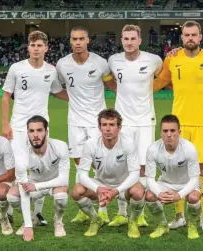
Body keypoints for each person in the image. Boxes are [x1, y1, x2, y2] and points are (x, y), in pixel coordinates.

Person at [153, 20, 203, 231]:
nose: (190, 38)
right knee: (179, 169)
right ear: (182, 37)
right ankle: (179, 216)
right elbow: (158, 83)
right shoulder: (172, 59)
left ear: (201, 36)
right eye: (186, 35)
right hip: (179, 124)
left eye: (194, 35)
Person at [0, 30, 68, 226]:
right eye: (32, 45)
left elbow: (58, 92)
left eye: (39, 45)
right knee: (17, 168)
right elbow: (6, 97)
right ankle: (14, 211)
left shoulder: (51, 70)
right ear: (28, 47)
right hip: (19, 126)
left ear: (46, 48)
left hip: (41, 126)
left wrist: (82, 96)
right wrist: (5, 124)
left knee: (42, 168)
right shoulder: (16, 68)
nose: (36, 49)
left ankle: (37, 213)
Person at [55, 26, 116, 224]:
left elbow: (112, 86)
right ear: (70, 41)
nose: (78, 42)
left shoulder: (100, 63)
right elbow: (58, 90)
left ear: (88, 40)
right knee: (79, 164)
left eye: (82, 39)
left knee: (100, 164)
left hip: (96, 122)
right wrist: (74, 101)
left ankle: (104, 208)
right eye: (74, 39)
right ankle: (84, 208)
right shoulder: (62, 64)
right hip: (74, 122)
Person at [106, 24, 163, 227]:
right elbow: (109, 81)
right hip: (123, 122)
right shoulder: (113, 60)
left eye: (132, 38)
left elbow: (163, 74)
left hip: (146, 120)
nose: (129, 42)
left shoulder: (153, 60)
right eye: (125, 38)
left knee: (144, 167)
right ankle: (122, 212)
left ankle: (139, 213)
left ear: (140, 40)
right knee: (123, 166)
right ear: (121, 40)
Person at [71, 108, 146, 238]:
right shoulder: (91, 144)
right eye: (104, 124)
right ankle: (96, 219)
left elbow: (135, 174)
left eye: (112, 125)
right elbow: (82, 174)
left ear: (119, 127)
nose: (108, 128)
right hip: (101, 184)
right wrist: (97, 188)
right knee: (77, 190)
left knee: (139, 191)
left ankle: (132, 221)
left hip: (123, 186)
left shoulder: (128, 143)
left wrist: (116, 191)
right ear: (99, 127)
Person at [6, 115, 70, 241]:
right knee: (12, 196)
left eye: (39, 130)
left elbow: (64, 180)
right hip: (33, 184)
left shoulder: (60, 146)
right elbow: (24, 191)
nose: (35, 135)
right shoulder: (22, 156)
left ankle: (58, 221)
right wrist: (28, 226)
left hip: (54, 184)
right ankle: (30, 219)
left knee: (61, 195)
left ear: (46, 132)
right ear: (27, 133)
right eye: (31, 131)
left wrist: (36, 186)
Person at [145, 115, 201, 239]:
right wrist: (159, 193)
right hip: (166, 182)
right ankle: (162, 225)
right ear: (160, 132)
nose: (169, 135)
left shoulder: (189, 149)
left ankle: (192, 225)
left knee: (193, 197)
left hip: (187, 183)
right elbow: (149, 178)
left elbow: (194, 179)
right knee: (149, 195)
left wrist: (178, 195)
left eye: (172, 131)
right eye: (165, 131)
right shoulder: (152, 149)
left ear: (179, 132)